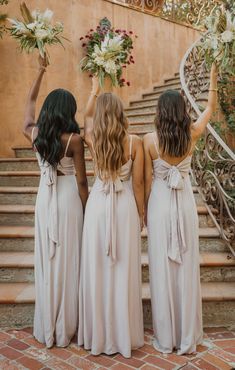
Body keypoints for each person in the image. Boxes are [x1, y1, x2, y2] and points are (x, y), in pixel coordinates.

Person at [143, 64, 218, 355]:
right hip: (185, 204)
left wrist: (143, 214)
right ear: (181, 110)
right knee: (187, 267)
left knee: (162, 269)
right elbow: (210, 108)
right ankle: (187, 334)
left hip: (160, 206)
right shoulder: (193, 133)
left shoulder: (150, 141)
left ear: (160, 112)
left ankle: (168, 335)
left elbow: (147, 183)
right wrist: (212, 80)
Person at [23, 55, 88, 348]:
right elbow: (83, 182)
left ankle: (46, 323)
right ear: (69, 111)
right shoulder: (74, 140)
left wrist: (40, 71)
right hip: (69, 200)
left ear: (49, 110)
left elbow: (29, 105)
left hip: (45, 200)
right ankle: (65, 325)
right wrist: (89, 210)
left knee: (47, 261)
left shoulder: (35, 134)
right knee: (68, 260)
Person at [78, 77, 144, 358]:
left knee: (98, 268)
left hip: (97, 206)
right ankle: (122, 333)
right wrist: (142, 214)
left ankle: (99, 333)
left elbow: (86, 115)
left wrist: (94, 91)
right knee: (123, 268)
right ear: (121, 113)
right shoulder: (134, 143)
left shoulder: (92, 138)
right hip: (124, 207)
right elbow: (139, 184)